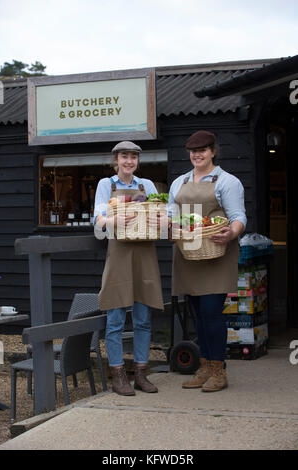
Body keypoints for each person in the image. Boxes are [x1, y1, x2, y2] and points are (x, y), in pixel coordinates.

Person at [168, 130, 246, 392]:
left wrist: (232, 233)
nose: (197, 155)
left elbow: (238, 217)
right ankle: (203, 367)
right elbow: (172, 213)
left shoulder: (227, 182)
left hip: (216, 252)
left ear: (214, 151)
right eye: (193, 151)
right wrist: (170, 228)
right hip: (188, 253)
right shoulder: (180, 182)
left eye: (203, 150)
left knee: (212, 311)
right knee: (198, 314)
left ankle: (218, 369)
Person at [94, 141, 164, 396]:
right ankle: (118, 375)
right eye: (124, 156)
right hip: (119, 254)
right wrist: (114, 219)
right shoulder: (106, 185)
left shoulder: (147, 186)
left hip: (145, 253)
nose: (129, 161)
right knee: (115, 318)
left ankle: (142, 374)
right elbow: (98, 219)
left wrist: (162, 218)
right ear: (116, 160)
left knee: (143, 317)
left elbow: (163, 216)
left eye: (133, 157)